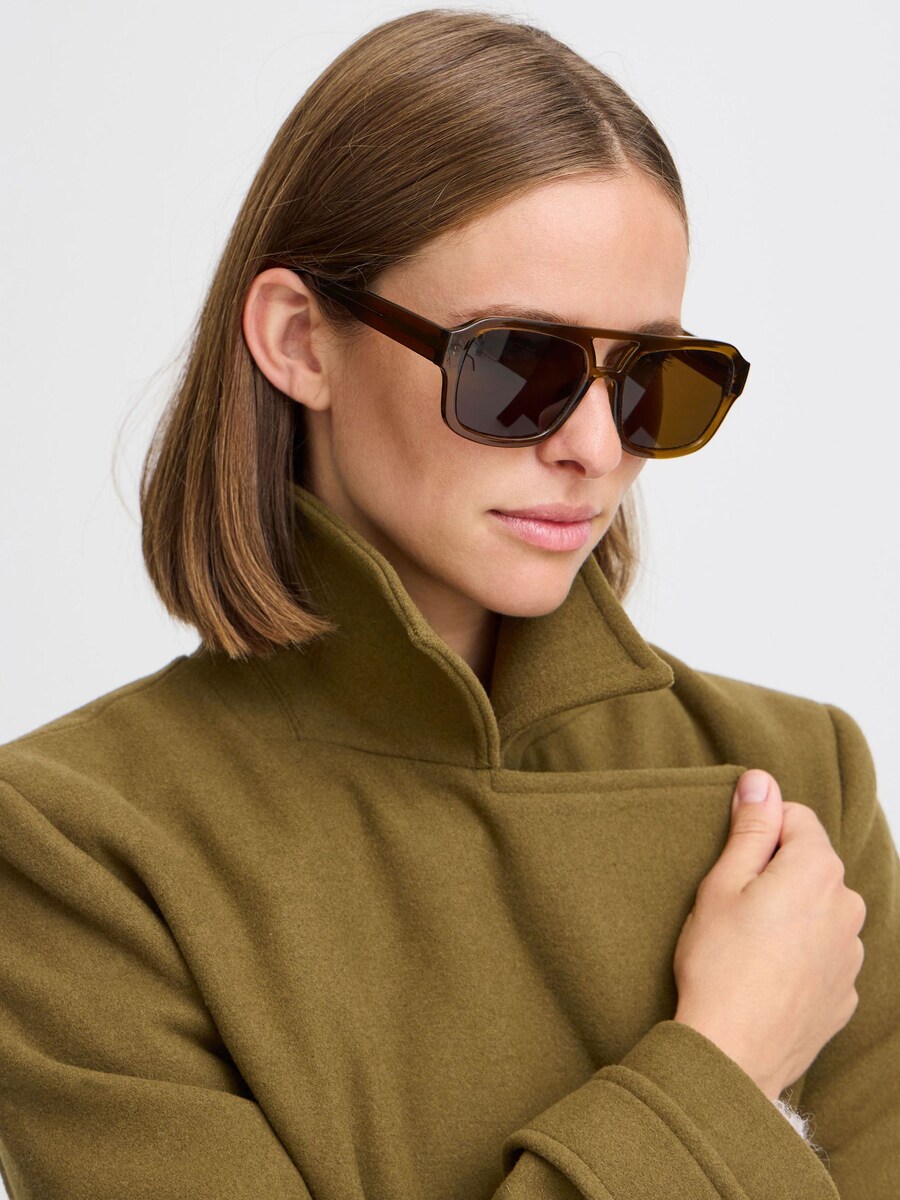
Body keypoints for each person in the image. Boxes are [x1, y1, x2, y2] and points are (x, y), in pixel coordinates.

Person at [0, 8, 896, 1199]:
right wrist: (726, 1063)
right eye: (519, 364)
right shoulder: (79, 843)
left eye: (653, 381)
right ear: (299, 341)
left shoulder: (793, 791)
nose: (595, 449)